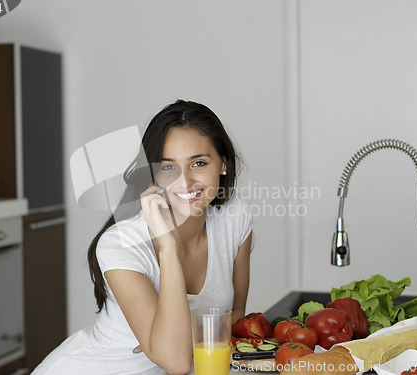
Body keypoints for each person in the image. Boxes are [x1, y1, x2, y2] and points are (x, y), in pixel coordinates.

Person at [32, 100, 253, 375]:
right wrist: (168, 248)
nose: (185, 182)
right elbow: (176, 361)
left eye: (198, 163)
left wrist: (173, 336)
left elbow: (234, 320)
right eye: (168, 167)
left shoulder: (235, 218)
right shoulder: (120, 244)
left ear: (223, 163)